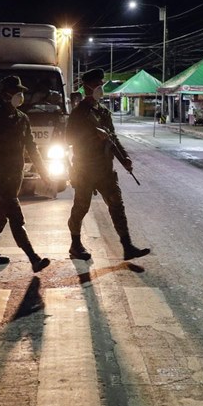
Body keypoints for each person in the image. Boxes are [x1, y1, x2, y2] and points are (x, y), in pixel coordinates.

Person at [0, 75, 50, 273]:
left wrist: (44, 173)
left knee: (3, 213)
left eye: (21, 92)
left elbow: (32, 148)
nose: (21, 96)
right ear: (6, 94)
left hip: (16, 175)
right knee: (15, 216)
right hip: (1, 175)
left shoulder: (23, 118)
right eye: (17, 92)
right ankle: (33, 258)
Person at [66, 68, 150, 261]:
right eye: (97, 85)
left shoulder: (103, 112)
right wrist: (92, 135)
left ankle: (127, 246)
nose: (100, 88)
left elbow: (113, 139)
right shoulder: (79, 113)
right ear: (87, 87)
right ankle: (75, 244)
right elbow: (68, 138)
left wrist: (125, 158)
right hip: (85, 169)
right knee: (80, 208)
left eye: (101, 85)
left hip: (104, 170)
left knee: (117, 206)